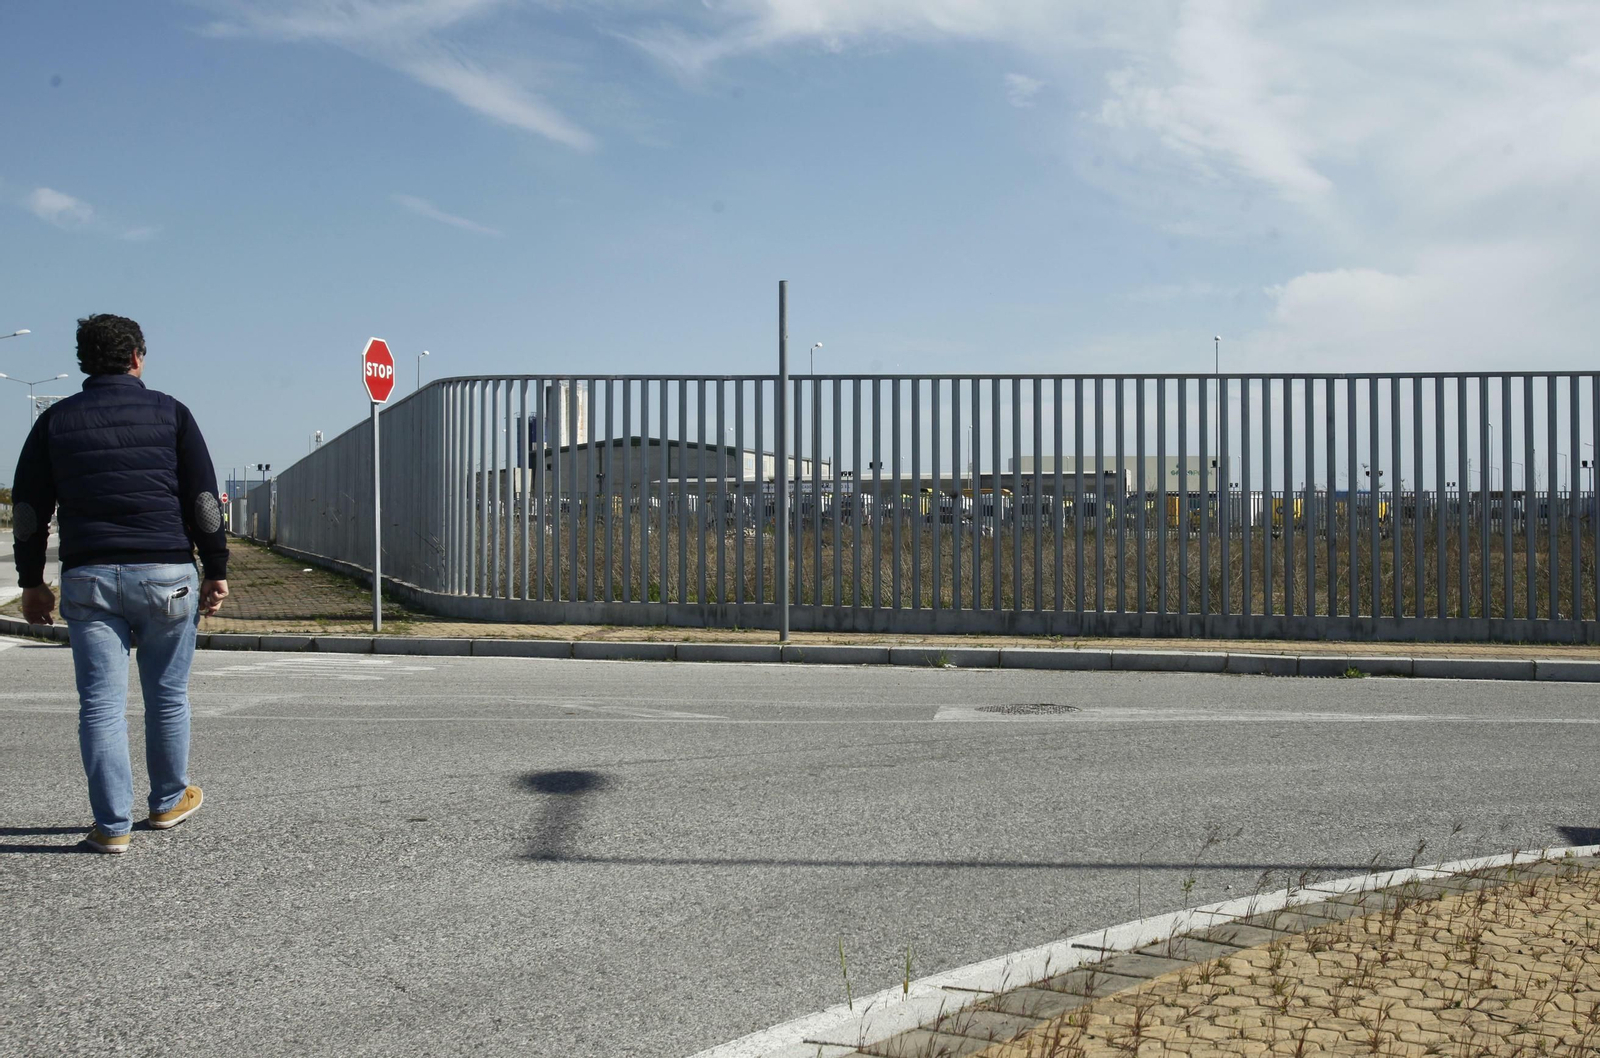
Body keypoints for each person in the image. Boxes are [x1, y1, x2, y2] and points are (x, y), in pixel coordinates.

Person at [11, 314, 230, 854]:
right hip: (166, 575)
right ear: (137, 357)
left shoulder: (54, 422)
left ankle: (111, 827)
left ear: (84, 362)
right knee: (167, 695)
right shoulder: (172, 413)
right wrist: (217, 568)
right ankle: (166, 802)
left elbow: (28, 511)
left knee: (100, 705)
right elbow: (203, 500)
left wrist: (32, 582)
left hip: (89, 578)